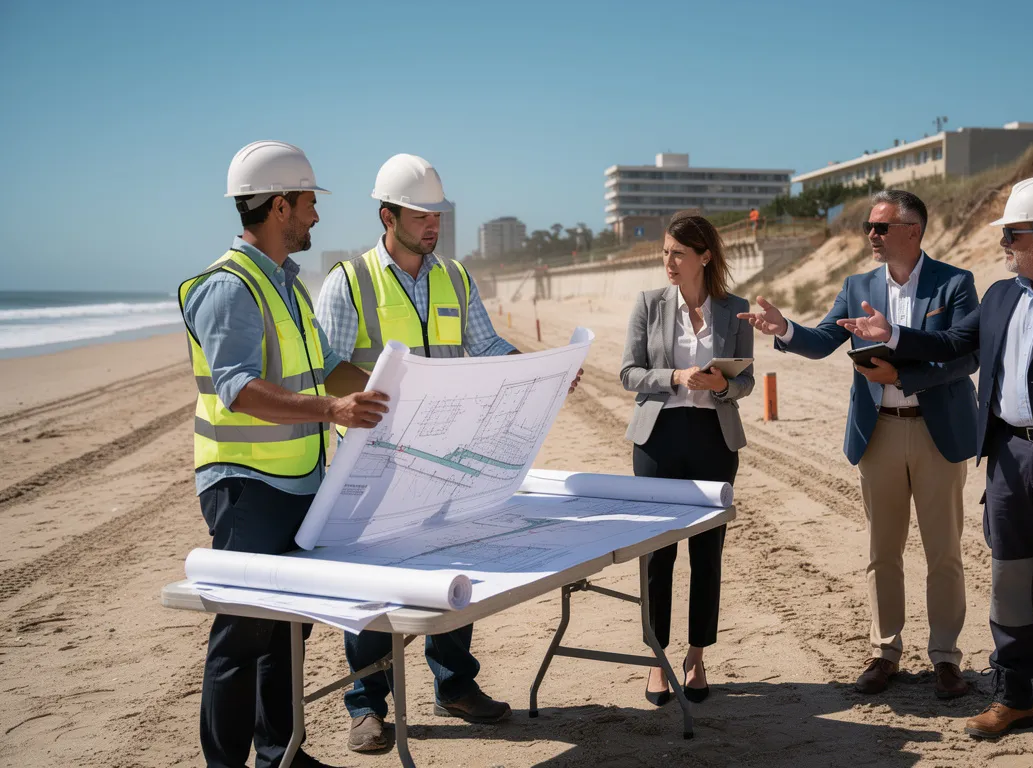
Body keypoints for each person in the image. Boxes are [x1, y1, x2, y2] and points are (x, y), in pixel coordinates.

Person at [838, 177, 1033, 764]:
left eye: (1014, 233)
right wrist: (894, 335)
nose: (1005, 241)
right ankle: (1014, 697)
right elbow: (952, 342)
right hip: (1006, 455)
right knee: (1007, 579)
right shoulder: (1001, 295)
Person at [314, 153, 579, 752]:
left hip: (447, 458)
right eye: (419, 215)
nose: (432, 225)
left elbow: (485, 344)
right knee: (374, 585)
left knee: (453, 566)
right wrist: (390, 398)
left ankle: (455, 685)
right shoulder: (349, 280)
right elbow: (326, 366)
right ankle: (366, 705)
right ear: (388, 216)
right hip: (372, 460)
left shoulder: (455, 277)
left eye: (436, 214)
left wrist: (544, 372)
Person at [180, 140, 390, 768]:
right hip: (244, 486)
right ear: (279, 206)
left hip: (297, 481)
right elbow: (238, 389)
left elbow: (325, 369)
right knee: (241, 634)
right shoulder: (229, 288)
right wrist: (332, 411)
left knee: (286, 629)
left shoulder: (291, 289)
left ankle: (280, 754)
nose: (316, 216)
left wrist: (393, 392)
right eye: (308, 203)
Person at [736, 190, 980, 699]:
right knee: (881, 551)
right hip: (879, 432)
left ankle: (945, 659)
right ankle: (884, 651)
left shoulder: (955, 283)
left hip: (938, 433)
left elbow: (965, 356)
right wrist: (784, 329)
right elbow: (824, 339)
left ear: (912, 230)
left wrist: (905, 375)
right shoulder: (857, 284)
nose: (871, 234)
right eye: (868, 227)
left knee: (945, 553)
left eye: (881, 227)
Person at [620, 212, 754, 705]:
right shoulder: (649, 304)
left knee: (707, 552)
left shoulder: (735, 309)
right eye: (664, 252)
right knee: (658, 553)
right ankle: (656, 658)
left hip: (713, 439)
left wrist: (722, 384)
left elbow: (746, 380)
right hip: (657, 439)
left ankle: (696, 656)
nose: (668, 262)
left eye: (678, 253)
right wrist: (675, 378)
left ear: (704, 256)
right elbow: (629, 373)